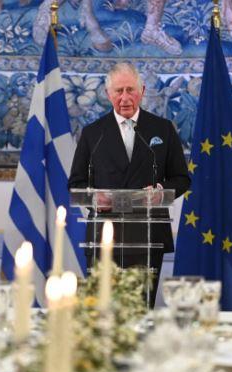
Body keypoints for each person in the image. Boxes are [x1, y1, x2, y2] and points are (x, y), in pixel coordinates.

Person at [68, 62, 190, 307]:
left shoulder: (162, 129)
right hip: (103, 237)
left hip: (147, 236)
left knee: (139, 313)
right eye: (119, 91)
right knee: (102, 316)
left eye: (130, 90)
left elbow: (182, 179)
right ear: (108, 94)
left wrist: (160, 193)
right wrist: (93, 197)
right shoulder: (94, 133)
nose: (125, 98)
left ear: (142, 91)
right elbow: (76, 184)